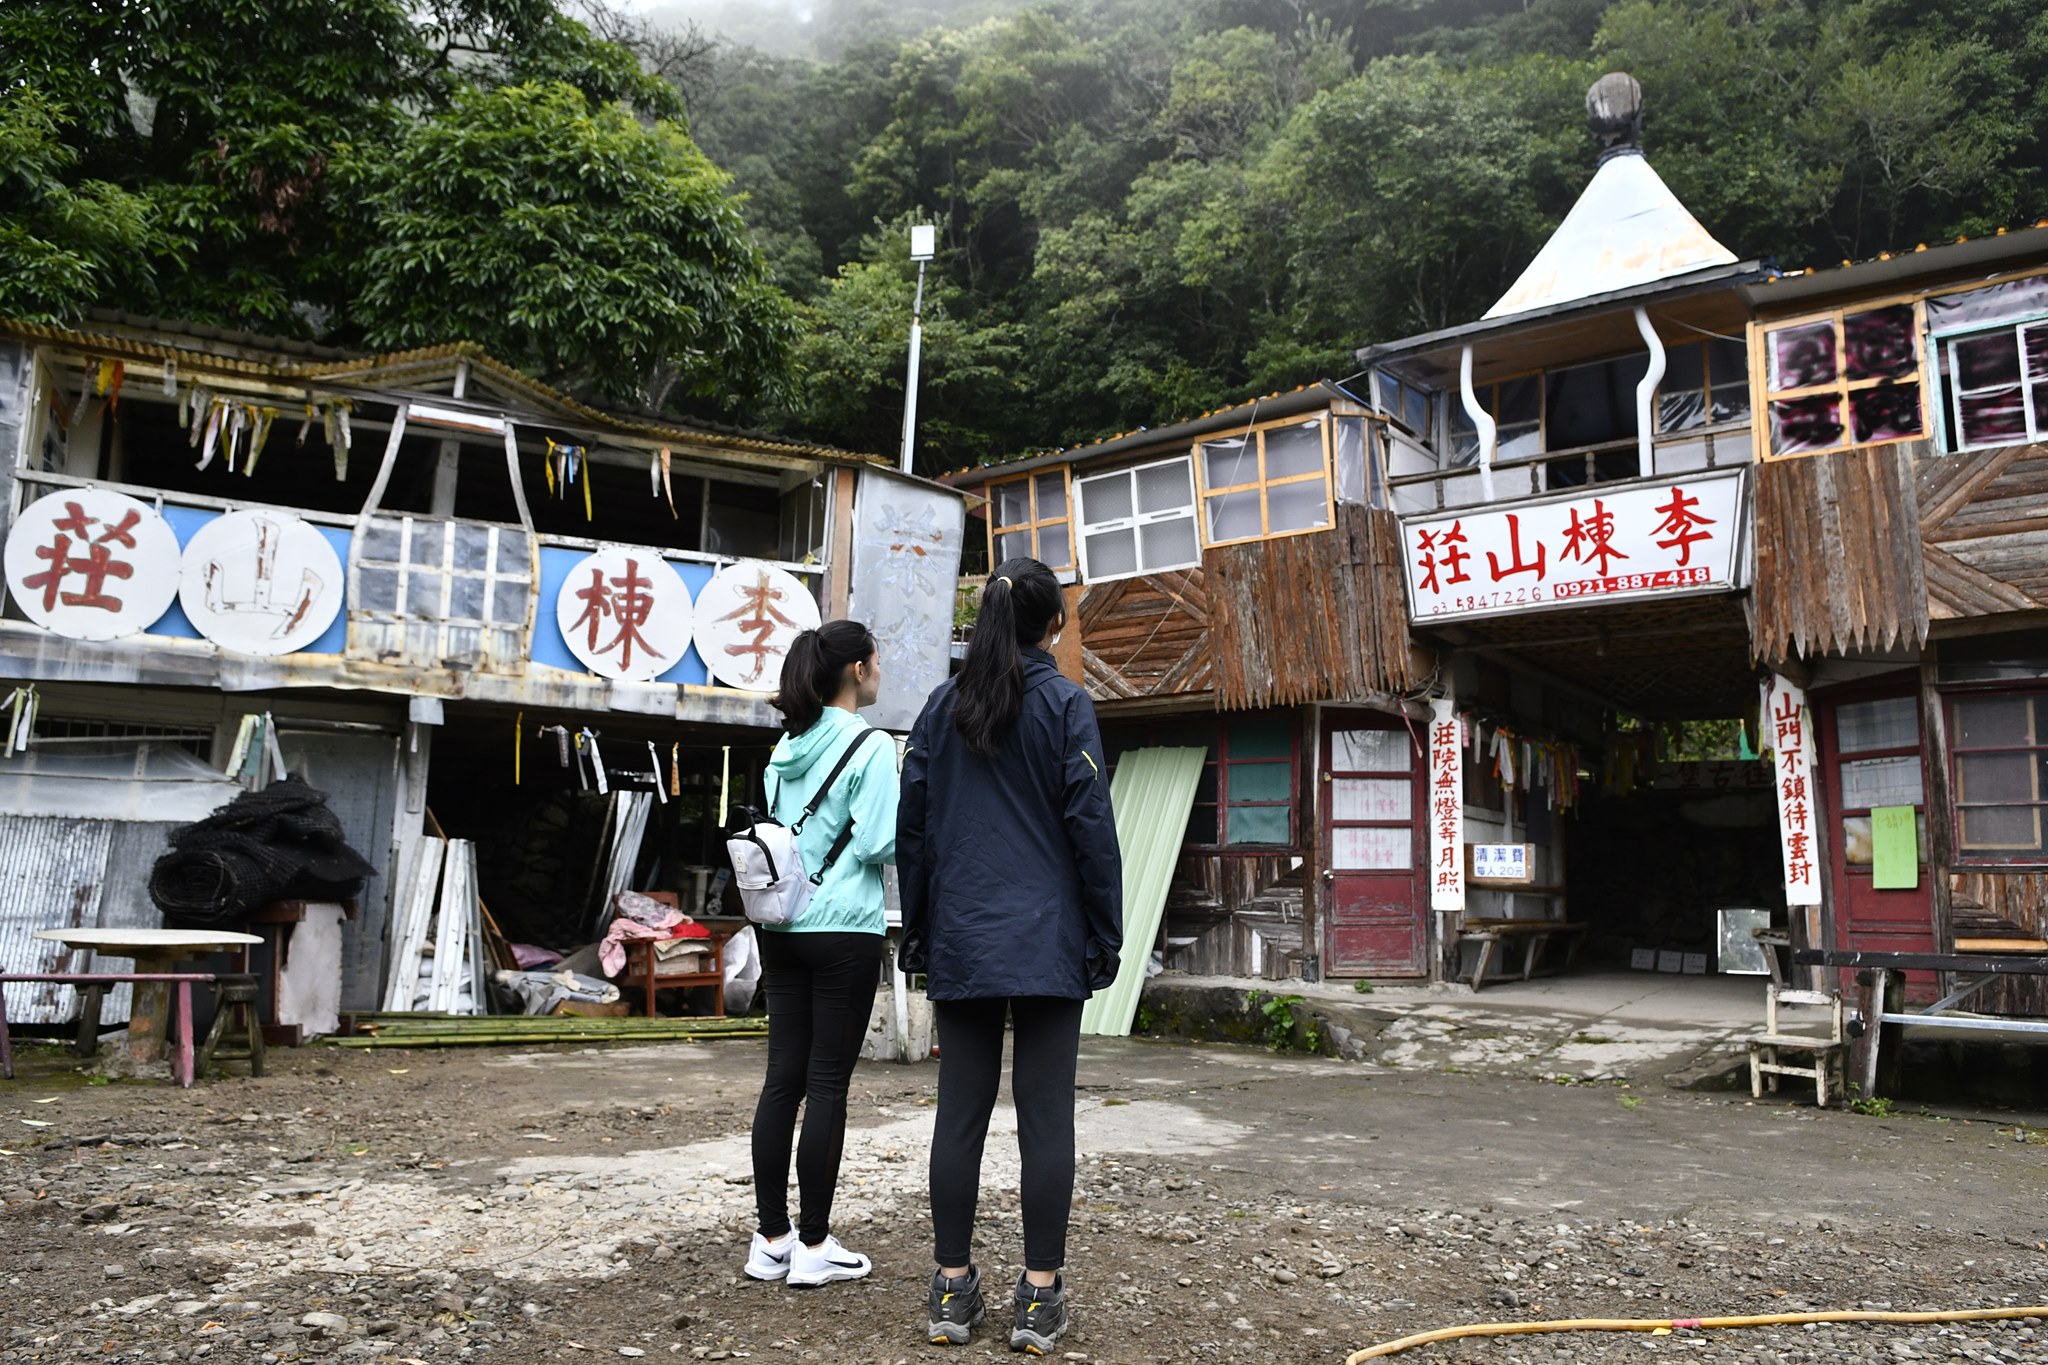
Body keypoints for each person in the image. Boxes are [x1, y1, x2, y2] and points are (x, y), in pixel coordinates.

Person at [897, 557, 1123, 1353]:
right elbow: (1090, 824)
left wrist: (918, 930)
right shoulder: (1065, 704)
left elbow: (915, 831)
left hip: (963, 933)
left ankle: (952, 1290)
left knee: (958, 1114)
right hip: (1047, 939)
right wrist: (1107, 931)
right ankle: (1038, 1296)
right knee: (1045, 1116)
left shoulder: (940, 708)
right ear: (1052, 624)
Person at [744, 620, 898, 1288]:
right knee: (828, 1081)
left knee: (784, 1079)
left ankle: (770, 1237)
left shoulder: (788, 745)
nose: (880, 671)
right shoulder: (871, 745)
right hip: (844, 930)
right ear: (858, 669)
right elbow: (879, 845)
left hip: (781, 925)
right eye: (877, 662)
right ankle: (813, 1244)